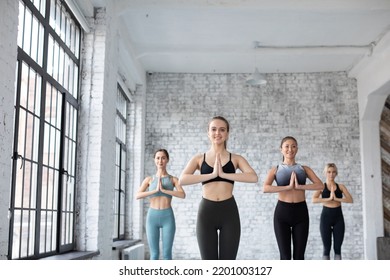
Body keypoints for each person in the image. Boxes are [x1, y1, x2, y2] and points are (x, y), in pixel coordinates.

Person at [179, 116, 258, 260]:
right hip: (206, 212)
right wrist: (213, 174)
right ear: (208, 133)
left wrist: (224, 174)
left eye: (222, 130)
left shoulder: (236, 158)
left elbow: (253, 177)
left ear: (227, 133)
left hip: (229, 212)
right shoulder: (199, 158)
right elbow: (182, 180)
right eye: (214, 129)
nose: (218, 133)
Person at [263, 136, 323, 260]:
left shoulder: (304, 169)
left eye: (293, 146)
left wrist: (300, 186)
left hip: (300, 213)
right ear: (281, 149)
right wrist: (287, 187)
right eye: (287, 146)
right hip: (282, 213)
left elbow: (320, 185)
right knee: (285, 257)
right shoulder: (276, 169)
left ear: (297, 149)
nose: (290, 149)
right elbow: (266, 188)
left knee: (299, 257)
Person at [136, 149, 185, 260]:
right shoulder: (149, 179)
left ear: (167, 160)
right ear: (154, 160)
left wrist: (164, 190)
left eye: (163, 158)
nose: (160, 160)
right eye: (158, 158)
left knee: (167, 254)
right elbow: (138, 195)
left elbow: (182, 194)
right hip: (152, 217)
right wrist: (154, 191)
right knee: (154, 254)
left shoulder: (173, 179)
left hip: (167, 216)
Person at [312, 163, 353, 260]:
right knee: (326, 248)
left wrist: (337, 199)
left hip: (338, 218)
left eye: (333, 172)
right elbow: (314, 199)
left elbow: (350, 200)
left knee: (337, 249)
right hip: (325, 218)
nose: (331, 174)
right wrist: (329, 199)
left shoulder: (341, 187)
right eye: (329, 172)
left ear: (336, 173)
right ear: (325, 173)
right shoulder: (322, 186)